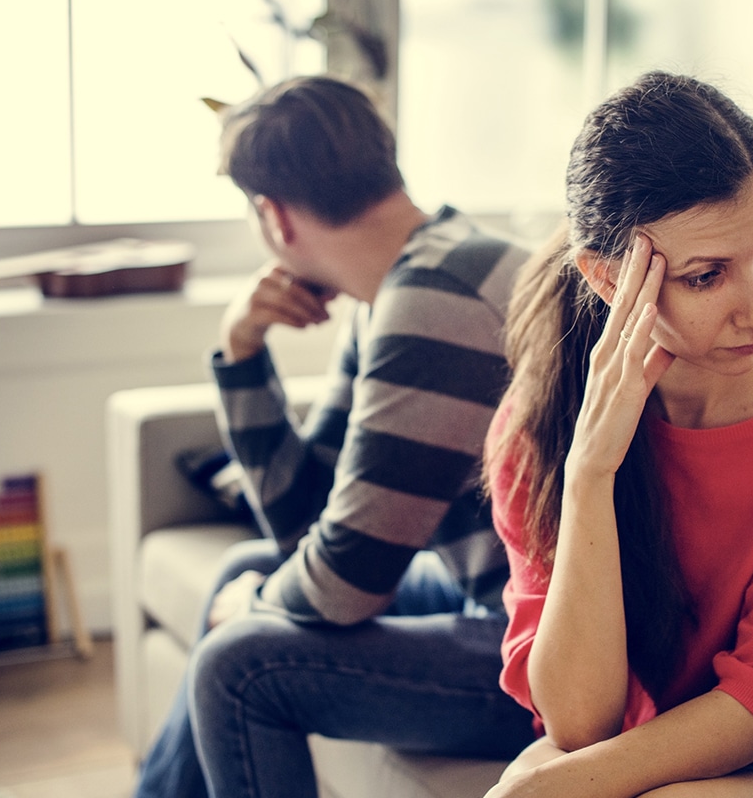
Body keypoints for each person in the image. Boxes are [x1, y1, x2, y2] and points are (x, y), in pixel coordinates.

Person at [482, 71, 753, 798]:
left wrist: (551, 789)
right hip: (643, 742)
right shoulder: (541, 424)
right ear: (607, 279)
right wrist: (590, 472)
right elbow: (579, 723)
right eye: (706, 276)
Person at [133, 75, 536, 798]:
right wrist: (241, 351)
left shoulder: (434, 303)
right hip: (503, 599)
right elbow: (306, 522)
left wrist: (258, 606)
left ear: (274, 216)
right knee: (245, 568)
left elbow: (346, 586)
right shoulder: (423, 268)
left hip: (555, 653)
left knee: (239, 665)